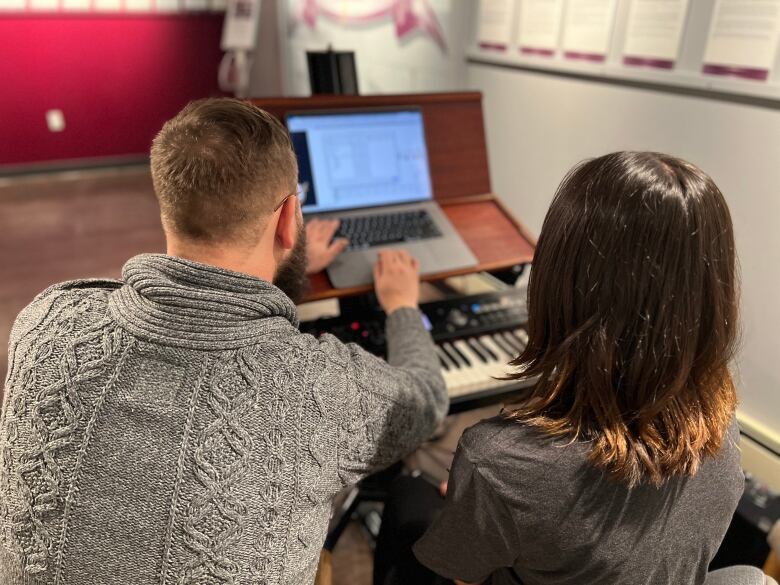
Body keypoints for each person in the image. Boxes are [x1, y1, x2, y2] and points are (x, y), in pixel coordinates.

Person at [0, 98, 449, 584]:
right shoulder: (321, 390)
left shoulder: (46, 318)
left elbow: (214, 304)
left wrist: (288, 262)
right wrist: (403, 305)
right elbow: (427, 398)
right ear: (287, 219)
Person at [375, 152, 743, 585]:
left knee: (408, 496)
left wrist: (486, 497)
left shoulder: (498, 460)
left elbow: (466, 576)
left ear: (557, 278)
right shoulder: (723, 421)